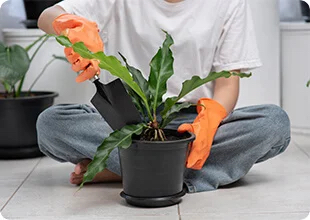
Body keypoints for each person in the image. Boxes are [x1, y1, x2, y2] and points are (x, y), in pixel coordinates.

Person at [36, 0, 291, 193]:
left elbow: (227, 83)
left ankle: (124, 169)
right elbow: (48, 15)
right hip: (124, 121)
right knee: (51, 123)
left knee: (273, 123)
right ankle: (174, 171)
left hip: (189, 124)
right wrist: (69, 26)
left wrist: (212, 118)